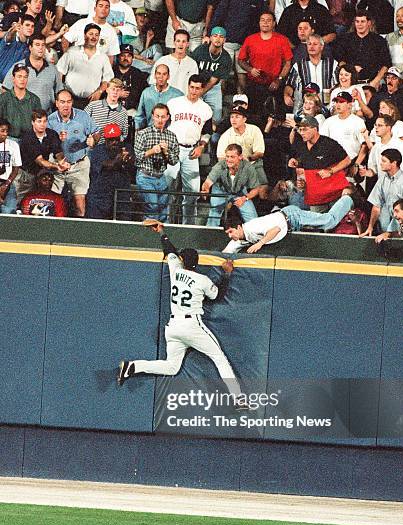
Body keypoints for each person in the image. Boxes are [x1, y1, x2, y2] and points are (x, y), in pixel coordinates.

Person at [117, 221, 247, 408]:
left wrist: (162, 232)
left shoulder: (175, 270)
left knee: (171, 367)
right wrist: (226, 274)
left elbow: (170, 251)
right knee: (219, 358)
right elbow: (217, 295)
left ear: (183, 261)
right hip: (192, 326)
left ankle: (133, 366)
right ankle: (238, 398)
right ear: (197, 263)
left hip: (173, 327)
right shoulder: (202, 279)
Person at [222, 189, 354, 252]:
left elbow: (276, 229)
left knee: (328, 221)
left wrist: (259, 243)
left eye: (231, 231)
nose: (230, 235)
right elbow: (226, 252)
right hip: (288, 221)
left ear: (239, 227)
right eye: (228, 233)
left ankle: (347, 197)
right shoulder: (239, 238)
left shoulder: (252, 227)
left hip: (291, 217)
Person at [165, 73, 213, 224]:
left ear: (202, 89)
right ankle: (167, 223)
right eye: (191, 87)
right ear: (188, 86)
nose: (193, 91)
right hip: (173, 148)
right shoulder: (173, 103)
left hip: (192, 151)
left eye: (197, 88)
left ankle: (188, 227)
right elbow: (164, 125)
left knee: (192, 193)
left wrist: (201, 147)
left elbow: (207, 132)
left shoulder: (206, 109)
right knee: (168, 188)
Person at [47, 89, 101, 216]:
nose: (66, 105)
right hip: (57, 165)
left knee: (79, 202)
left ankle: (79, 232)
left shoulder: (83, 116)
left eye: (69, 102)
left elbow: (97, 132)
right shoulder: (50, 120)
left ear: (72, 103)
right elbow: (46, 143)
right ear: (56, 103)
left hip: (79, 164)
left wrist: (94, 140)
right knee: (53, 201)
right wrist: (55, 140)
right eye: (62, 102)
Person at [289, 115, 351, 212]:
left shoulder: (329, 144)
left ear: (315, 129)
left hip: (334, 194)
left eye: (305, 129)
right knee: (319, 226)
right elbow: (306, 164)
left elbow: (347, 160)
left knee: (338, 224)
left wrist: (331, 171)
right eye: (300, 130)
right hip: (315, 196)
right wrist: (296, 163)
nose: (302, 133)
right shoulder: (301, 145)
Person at [237, 11, 292, 121]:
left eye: (269, 20)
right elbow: (240, 60)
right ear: (259, 23)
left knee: (275, 118)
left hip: (274, 85)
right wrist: (250, 69)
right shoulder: (250, 39)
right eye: (262, 20)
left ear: (274, 23)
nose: (265, 23)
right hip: (254, 84)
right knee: (252, 116)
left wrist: (279, 79)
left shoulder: (282, 40)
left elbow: (288, 63)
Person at [134, 103, 179, 221]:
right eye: (157, 116)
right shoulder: (143, 134)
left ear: (168, 117)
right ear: (152, 116)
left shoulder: (171, 136)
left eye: (163, 116)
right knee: (152, 207)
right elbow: (137, 157)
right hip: (145, 176)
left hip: (161, 177)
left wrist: (166, 152)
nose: (160, 120)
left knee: (164, 210)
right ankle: (149, 236)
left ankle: (163, 236)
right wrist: (152, 151)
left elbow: (174, 161)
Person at [56, 22, 114, 109]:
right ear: (84, 35)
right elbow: (59, 73)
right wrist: (61, 94)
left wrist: (100, 91)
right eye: (90, 34)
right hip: (70, 100)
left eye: (96, 35)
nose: (93, 37)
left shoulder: (103, 57)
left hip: (91, 101)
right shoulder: (72, 52)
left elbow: (107, 79)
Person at [217, 105, 268, 200]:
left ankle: (264, 208)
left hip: (253, 163)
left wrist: (248, 159)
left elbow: (260, 152)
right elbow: (221, 158)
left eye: (237, 117)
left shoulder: (254, 130)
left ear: (244, 119)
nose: (233, 120)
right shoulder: (226, 135)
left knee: (263, 190)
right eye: (232, 117)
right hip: (234, 167)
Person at [3, 33, 63, 113]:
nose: (41, 48)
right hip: (22, 116)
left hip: (45, 118)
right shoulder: (18, 67)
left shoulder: (52, 69)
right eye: (37, 45)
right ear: (30, 47)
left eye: (43, 45)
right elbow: (5, 89)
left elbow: (59, 92)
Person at [18, 109, 69, 202]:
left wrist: (62, 161)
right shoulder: (27, 138)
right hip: (27, 175)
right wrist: (57, 166)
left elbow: (58, 152)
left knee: (45, 200)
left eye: (45, 121)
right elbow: (40, 160)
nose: (42, 124)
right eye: (39, 121)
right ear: (33, 122)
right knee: (22, 202)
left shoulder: (52, 134)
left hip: (43, 173)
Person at [202, 143, 259, 226]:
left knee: (253, 220)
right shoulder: (220, 165)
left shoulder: (248, 168)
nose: (228, 160)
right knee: (213, 216)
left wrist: (245, 198)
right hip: (220, 191)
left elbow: (256, 189)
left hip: (240, 192)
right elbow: (207, 182)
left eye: (232, 157)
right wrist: (205, 189)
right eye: (227, 156)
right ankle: (210, 237)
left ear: (240, 157)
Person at [86, 122, 135, 219]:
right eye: (111, 140)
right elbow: (108, 165)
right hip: (101, 195)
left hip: (121, 193)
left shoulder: (127, 147)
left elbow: (131, 166)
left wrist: (128, 159)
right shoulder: (98, 150)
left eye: (116, 139)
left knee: (123, 223)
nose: (114, 142)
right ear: (105, 139)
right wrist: (119, 159)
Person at [332, 11, 391, 90]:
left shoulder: (379, 40)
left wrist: (375, 82)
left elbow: (386, 64)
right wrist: (351, 69)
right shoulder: (346, 39)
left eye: (362, 21)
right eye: (357, 21)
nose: (359, 24)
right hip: (350, 84)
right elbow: (340, 60)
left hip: (371, 83)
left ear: (369, 23)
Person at [284, 34, 337, 113]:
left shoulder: (332, 64)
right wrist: (286, 95)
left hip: (327, 108)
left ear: (322, 47)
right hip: (306, 109)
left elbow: (337, 86)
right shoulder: (298, 65)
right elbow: (290, 85)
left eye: (315, 44)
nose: (311, 46)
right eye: (309, 44)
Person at [191, 26, 232, 125]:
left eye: (221, 37)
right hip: (197, 84)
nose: (218, 39)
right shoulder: (201, 50)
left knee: (217, 116)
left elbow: (213, 81)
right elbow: (191, 68)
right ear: (210, 38)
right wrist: (195, 90)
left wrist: (200, 93)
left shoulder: (226, 58)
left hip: (213, 87)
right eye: (215, 36)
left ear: (224, 40)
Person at [361, 149, 403, 236]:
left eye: (384, 161)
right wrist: (370, 227)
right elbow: (376, 206)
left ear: (394, 163)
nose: (381, 163)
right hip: (388, 224)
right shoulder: (382, 180)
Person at [320, 91, 368, 173]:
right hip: (332, 164)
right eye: (336, 102)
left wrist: (356, 164)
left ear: (350, 104)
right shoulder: (328, 122)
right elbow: (322, 143)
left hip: (351, 162)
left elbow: (364, 145)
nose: (338, 104)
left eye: (341, 102)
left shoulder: (358, 121)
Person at [0, 64, 42, 142]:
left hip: (29, 141)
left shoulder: (34, 100)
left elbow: (39, 123)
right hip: (8, 140)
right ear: (13, 78)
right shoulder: (3, 98)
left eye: (25, 77)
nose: (22, 79)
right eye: (19, 76)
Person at [134, 64, 183, 129]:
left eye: (164, 74)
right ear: (154, 75)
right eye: (158, 73)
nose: (161, 77)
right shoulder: (146, 92)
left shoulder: (177, 95)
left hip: (169, 133)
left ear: (168, 76)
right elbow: (140, 117)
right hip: (149, 132)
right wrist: (137, 130)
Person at [150, 29, 198, 94]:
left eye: (183, 41)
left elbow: (194, 86)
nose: (181, 44)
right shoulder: (162, 61)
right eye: (178, 41)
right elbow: (153, 83)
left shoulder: (192, 64)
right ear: (174, 42)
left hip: (183, 100)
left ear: (188, 44)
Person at [84, 77, 129, 143]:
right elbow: (81, 123)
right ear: (107, 90)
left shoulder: (123, 112)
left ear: (121, 92)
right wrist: (89, 138)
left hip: (112, 149)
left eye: (118, 90)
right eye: (113, 89)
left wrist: (116, 142)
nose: (115, 92)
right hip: (93, 147)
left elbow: (124, 134)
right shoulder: (93, 105)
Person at [361, 114, 403, 179]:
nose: (376, 128)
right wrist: (366, 172)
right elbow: (373, 170)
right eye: (375, 125)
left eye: (380, 125)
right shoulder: (376, 147)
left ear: (389, 127)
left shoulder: (401, 145)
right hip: (383, 185)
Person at [113, 44, 148, 116]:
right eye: (123, 55)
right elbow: (103, 93)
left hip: (131, 111)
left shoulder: (138, 74)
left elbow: (146, 94)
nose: (126, 58)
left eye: (129, 56)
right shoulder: (111, 72)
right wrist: (117, 94)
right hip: (112, 110)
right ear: (118, 57)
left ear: (132, 58)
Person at [0, 14, 35, 83]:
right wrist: (13, 30)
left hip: (13, 85)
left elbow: (44, 41)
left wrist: (60, 34)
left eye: (32, 26)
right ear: (20, 26)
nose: (30, 28)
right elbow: (9, 36)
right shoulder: (11, 40)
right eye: (27, 25)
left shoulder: (30, 46)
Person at [0, 118, 21, 214]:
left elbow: (16, 168)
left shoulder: (13, 145)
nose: (5, 134)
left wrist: (6, 184)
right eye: (2, 131)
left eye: (7, 131)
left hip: (7, 184)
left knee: (9, 211)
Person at [386, 7, 403, 75]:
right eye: (397, 16)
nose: (399, 19)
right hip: (395, 80)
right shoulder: (389, 37)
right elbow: (386, 60)